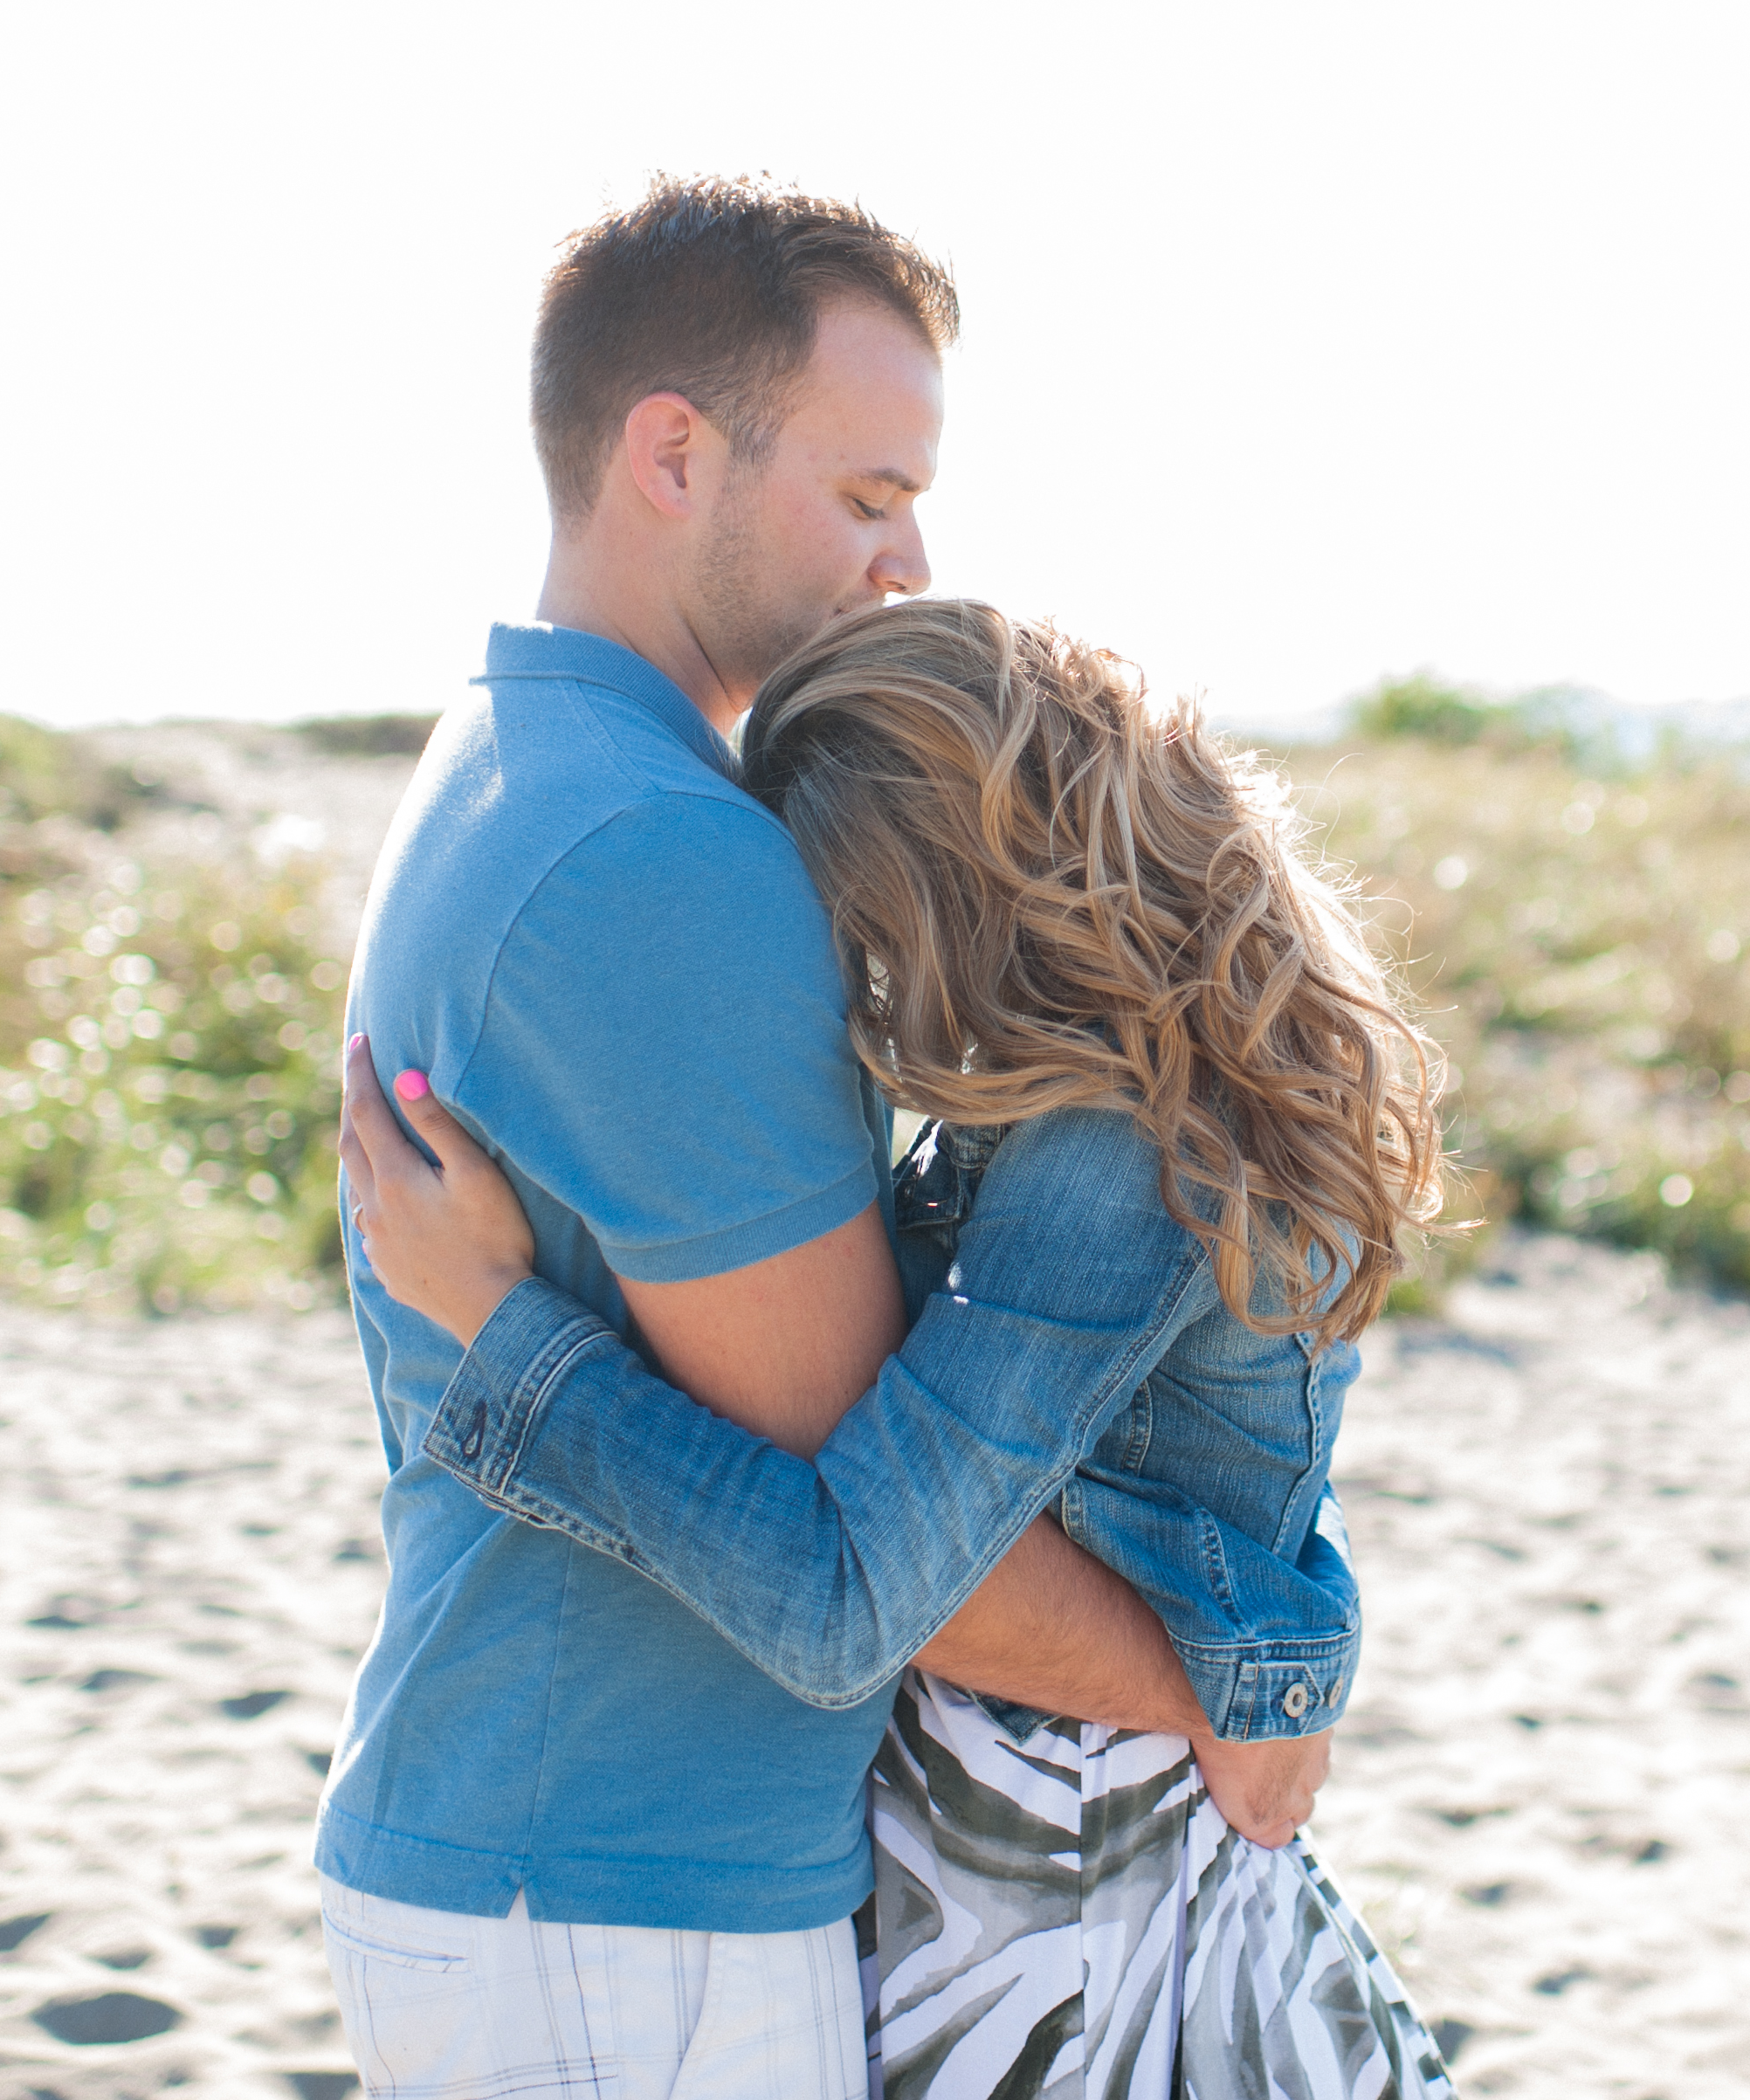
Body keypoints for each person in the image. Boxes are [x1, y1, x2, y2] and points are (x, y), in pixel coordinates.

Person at [320, 181, 1328, 2100]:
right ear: (673, 454)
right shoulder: (662, 858)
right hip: (617, 1898)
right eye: (868, 497)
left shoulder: (526, 760)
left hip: (582, 1863)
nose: (912, 557)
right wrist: (1247, 1696)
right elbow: (889, 1569)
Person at [341, 598, 1460, 2098]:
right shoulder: (1185, 1071)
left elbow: (846, 1600)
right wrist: (1264, 1677)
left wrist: (501, 1333)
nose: (853, 990)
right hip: (1084, 1859)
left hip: (1059, 1896)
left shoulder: (1115, 1152)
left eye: (855, 925)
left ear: (952, 885)